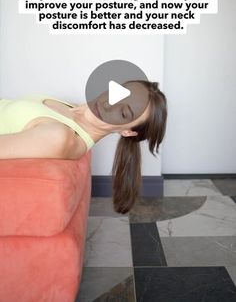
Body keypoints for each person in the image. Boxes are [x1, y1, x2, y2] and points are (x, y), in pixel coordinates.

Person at [0, 80, 167, 214]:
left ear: (128, 131)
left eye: (123, 113)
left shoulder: (61, 137)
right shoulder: (71, 107)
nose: (108, 104)